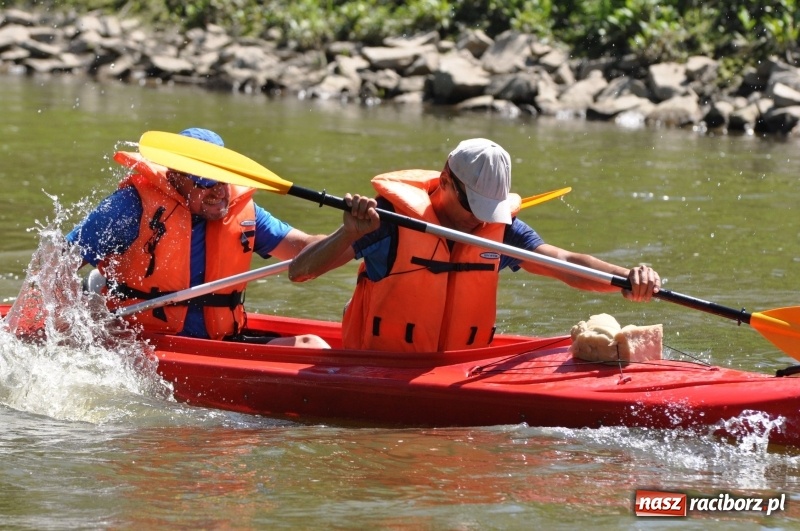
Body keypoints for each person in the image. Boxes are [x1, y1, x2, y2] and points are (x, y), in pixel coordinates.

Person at [288, 138, 661, 352]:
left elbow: (563, 261)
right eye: (473, 205)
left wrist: (625, 278)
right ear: (446, 179)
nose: (479, 219)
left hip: (459, 367)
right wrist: (349, 233)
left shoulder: (498, 228)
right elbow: (300, 271)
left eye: (490, 209)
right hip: (380, 367)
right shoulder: (388, 220)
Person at [61, 127, 330, 348]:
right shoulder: (130, 207)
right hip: (145, 342)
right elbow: (57, 262)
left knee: (313, 346)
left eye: (223, 178)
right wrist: (89, 316)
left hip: (221, 341)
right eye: (204, 180)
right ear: (175, 176)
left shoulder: (244, 212)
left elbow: (306, 249)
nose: (218, 191)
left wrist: (354, 233)